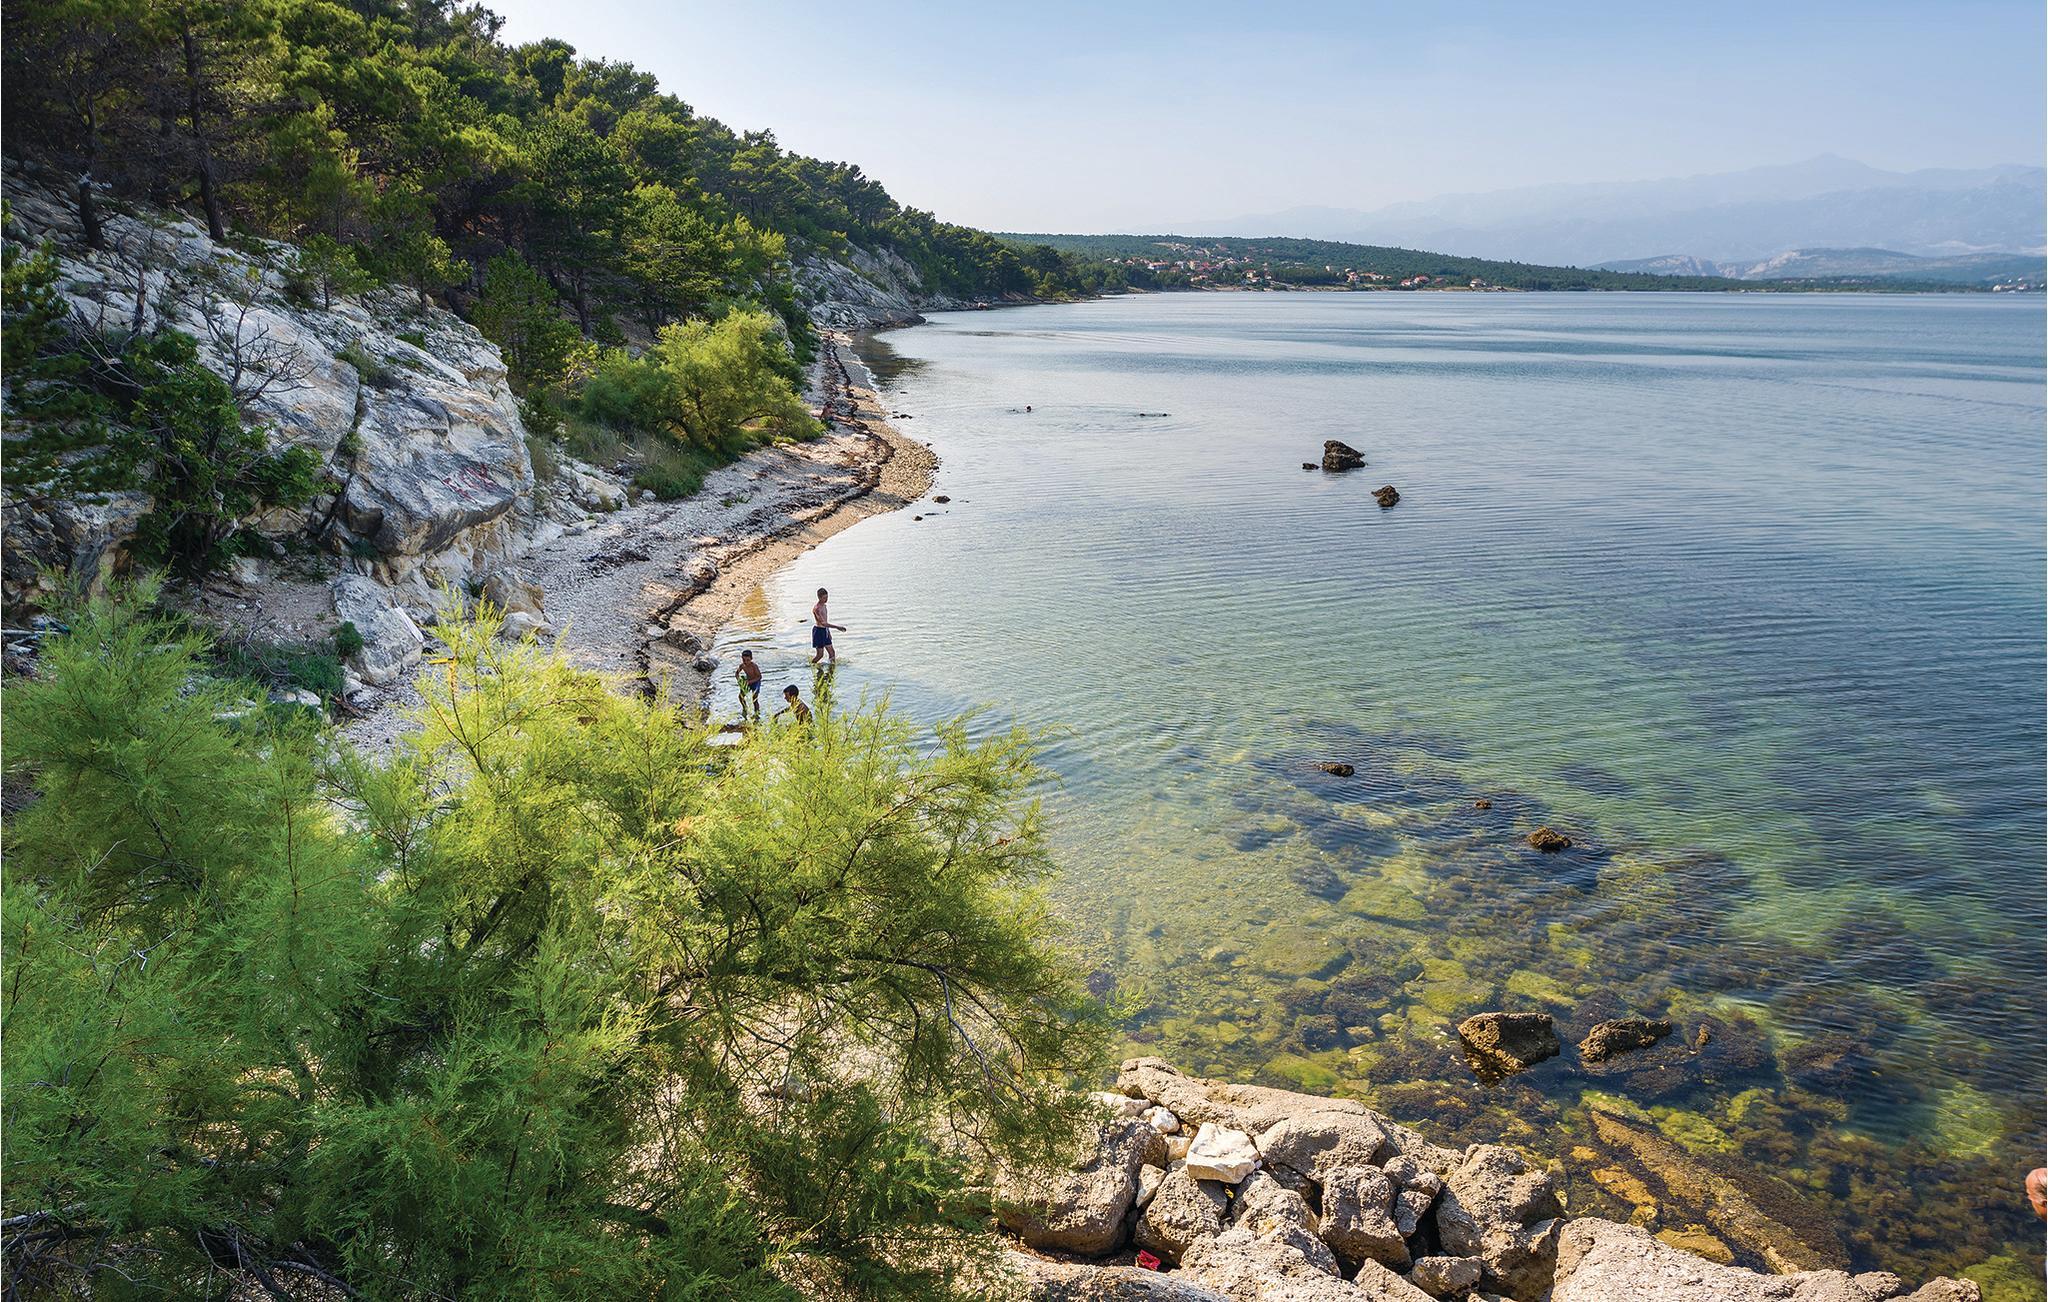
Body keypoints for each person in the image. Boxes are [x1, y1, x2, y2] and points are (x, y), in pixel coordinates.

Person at [810, 587, 845, 664]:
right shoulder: (817, 608)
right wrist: (837, 627)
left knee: (832, 653)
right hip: (818, 632)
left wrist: (828, 632)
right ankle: (811, 665)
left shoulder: (824, 606)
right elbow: (823, 623)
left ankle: (832, 668)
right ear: (819, 597)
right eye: (824, 598)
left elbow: (825, 622)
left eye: (827, 597)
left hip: (825, 630)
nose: (826, 599)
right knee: (820, 655)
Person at [734, 650, 762, 720]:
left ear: (751, 659)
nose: (746, 662)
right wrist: (739, 680)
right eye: (744, 660)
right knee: (741, 696)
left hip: (755, 682)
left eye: (748, 660)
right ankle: (745, 708)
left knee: (754, 699)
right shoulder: (742, 666)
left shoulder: (754, 666)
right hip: (747, 682)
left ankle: (757, 713)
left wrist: (750, 682)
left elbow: (759, 677)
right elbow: (736, 673)